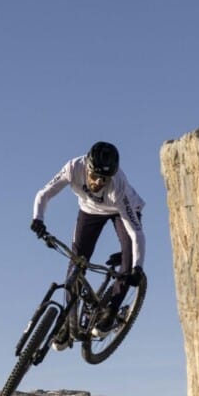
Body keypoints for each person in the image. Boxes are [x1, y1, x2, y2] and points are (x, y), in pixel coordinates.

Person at [31, 141, 144, 337]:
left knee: (129, 260)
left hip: (122, 211)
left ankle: (111, 311)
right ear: (87, 167)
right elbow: (44, 194)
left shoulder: (118, 187)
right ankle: (68, 321)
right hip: (89, 212)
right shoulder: (74, 167)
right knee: (77, 262)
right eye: (95, 176)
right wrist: (38, 220)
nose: (98, 183)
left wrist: (138, 268)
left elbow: (136, 233)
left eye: (104, 179)